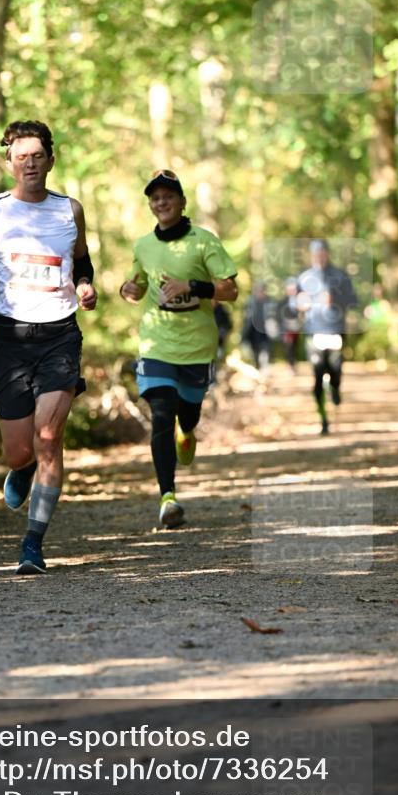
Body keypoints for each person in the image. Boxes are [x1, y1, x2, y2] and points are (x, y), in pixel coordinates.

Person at [0, 120, 97, 574]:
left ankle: (33, 543)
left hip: (60, 335)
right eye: (21, 157)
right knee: (20, 451)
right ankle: (22, 466)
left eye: (37, 156)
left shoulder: (70, 210)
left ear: (51, 160)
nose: (29, 164)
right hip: (9, 340)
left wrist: (88, 286)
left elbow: (83, 262)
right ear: (9, 162)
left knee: (50, 437)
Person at [120, 169, 238, 528]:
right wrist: (130, 290)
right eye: (155, 198)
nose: (161, 202)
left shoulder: (204, 242)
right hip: (156, 342)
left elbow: (230, 290)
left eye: (167, 196)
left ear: (181, 201)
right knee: (160, 413)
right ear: (150, 205)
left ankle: (187, 432)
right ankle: (167, 498)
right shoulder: (143, 245)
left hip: (197, 345)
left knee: (187, 413)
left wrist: (194, 286)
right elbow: (138, 285)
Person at [297, 238, 357, 435]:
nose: (320, 256)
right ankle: (323, 419)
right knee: (317, 375)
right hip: (314, 331)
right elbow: (291, 304)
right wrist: (299, 304)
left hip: (335, 330)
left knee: (336, 371)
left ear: (327, 253)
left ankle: (336, 388)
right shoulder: (304, 278)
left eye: (323, 252)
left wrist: (336, 300)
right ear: (312, 255)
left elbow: (353, 300)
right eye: (316, 252)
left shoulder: (340, 276)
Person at [240, 281, 279, 372]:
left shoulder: (270, 302)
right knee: (255, 351)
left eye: (262, 290)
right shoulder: (250, 302)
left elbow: (274, 318)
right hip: (253, 331)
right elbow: (245, 319)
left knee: (265, 351)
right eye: (258, 290)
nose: (260, 292)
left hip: (266, 332)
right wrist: (243, 334)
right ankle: (257, 368)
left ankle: (264, 369)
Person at [278, 276, 301, 373]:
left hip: (296, 328)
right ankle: (290, 364)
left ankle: (293, 363)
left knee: (294, 346)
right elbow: (278, 315)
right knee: (289, 346)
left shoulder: (300, 300)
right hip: (286, 329)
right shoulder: (282, 302)